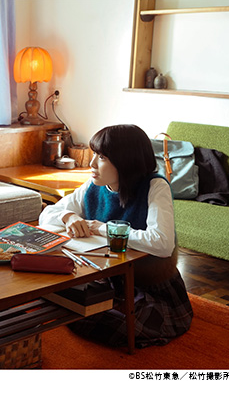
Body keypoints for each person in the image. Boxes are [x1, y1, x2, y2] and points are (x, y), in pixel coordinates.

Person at [39, 124, 193, 348]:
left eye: (101, 157)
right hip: (108, 277)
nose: (92, 163)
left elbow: (162, 243)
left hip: (148, 284)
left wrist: (102, 228)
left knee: (120, 324)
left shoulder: (155, 187)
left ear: (126, 161)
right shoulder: (94, 185)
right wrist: (68, 216)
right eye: (94, 154)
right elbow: (47, 215)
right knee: (57, 297)